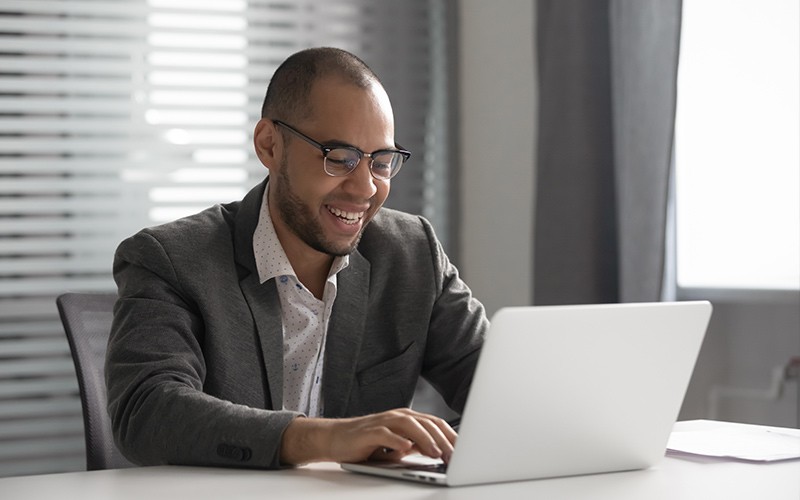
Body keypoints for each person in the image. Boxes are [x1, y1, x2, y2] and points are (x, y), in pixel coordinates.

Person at [106, 47, 488, 469]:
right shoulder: (171, 259)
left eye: (381, 163)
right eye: (339, 158)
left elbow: (502, 389)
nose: (365, 188)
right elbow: (146, 412)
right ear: (270, 145)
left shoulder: (412, 252)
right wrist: (324, 438)